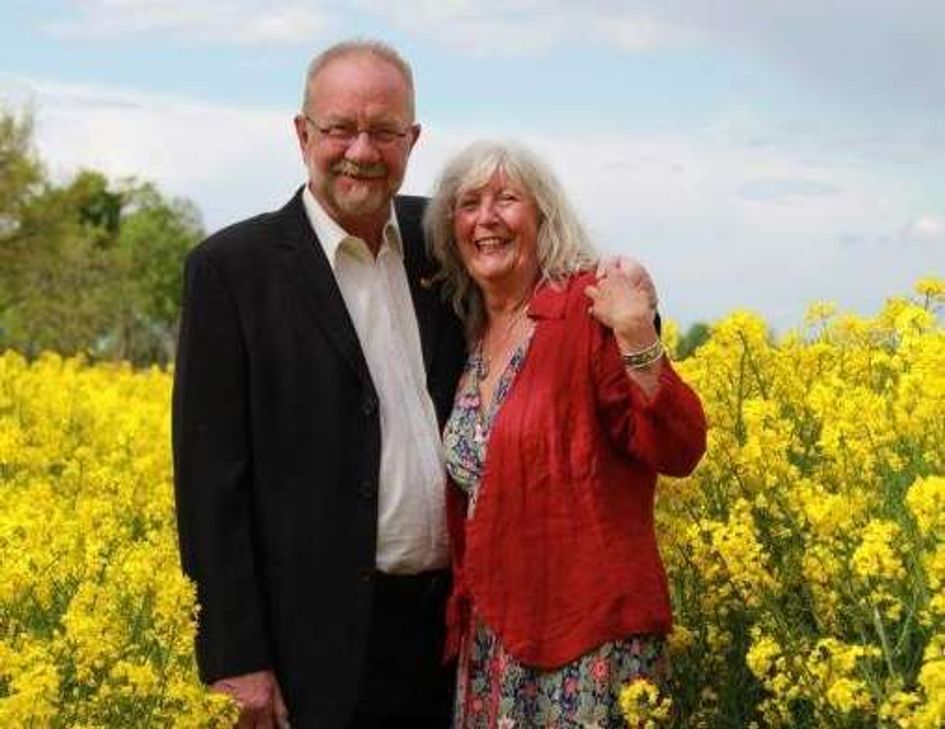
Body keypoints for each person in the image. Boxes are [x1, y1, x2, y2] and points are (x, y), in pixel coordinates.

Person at [172, 40, 465, 728]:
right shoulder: (231, 269)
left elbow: (544, 269)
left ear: (412, 140)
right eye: (340, 128)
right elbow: (211, 482)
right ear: (303, 133)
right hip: (315, 645)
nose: (361, 150)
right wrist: (234, 655)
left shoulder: (446, 237)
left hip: (451, 633)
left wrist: (629, 312)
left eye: (384, 131)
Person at [423, 140, 708, 728]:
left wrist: (637, 333)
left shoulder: (588, 307)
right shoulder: (471, 333)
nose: (486, 219)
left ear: (544, 215)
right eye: (469, 203)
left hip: (586, 642)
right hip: (494, 642)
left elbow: (679, 448)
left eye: (507, 199)